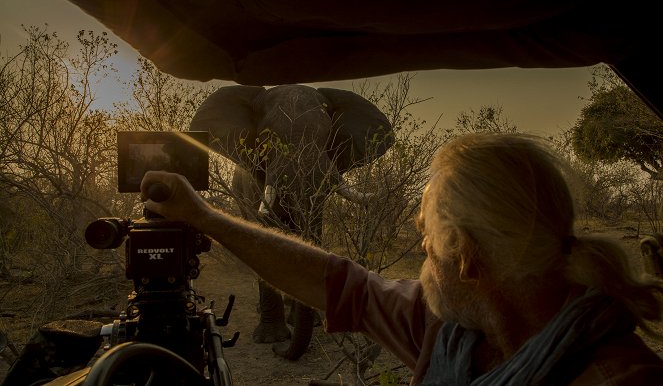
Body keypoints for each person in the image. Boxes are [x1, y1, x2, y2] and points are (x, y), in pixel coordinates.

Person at [141, 132, 663, 385]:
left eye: (425, 240)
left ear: (467, 257)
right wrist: (204, 217)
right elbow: (339, 285)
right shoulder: (454, 329)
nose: (419, 254)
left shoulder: (619, 380)